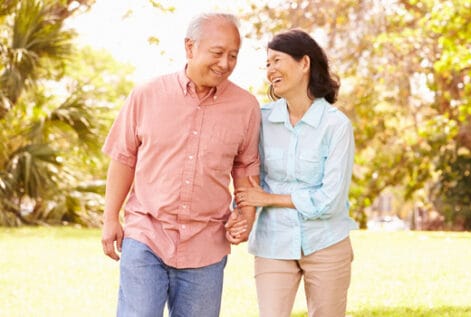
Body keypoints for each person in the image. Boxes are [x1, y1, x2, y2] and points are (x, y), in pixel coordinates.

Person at [100, 12, 260, 317]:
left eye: (233, 55)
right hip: (146, 234)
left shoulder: (246, 107)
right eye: (217, 52)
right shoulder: (146, 95)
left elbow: (245, 168)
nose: (225, 63)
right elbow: (123, 158)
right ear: (190, 47)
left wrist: (246, 216)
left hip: (206, 244)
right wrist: (110, 218)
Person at [232, 29, 357, 317]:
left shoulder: (336, 125)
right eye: (268, 64)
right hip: (273, 242)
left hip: (326, 242)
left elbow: (330, 200)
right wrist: (239, 213)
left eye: (277, 60)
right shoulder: (261, 120)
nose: (270, 70)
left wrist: (269, 199)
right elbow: (249, 177)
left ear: (305, 63)